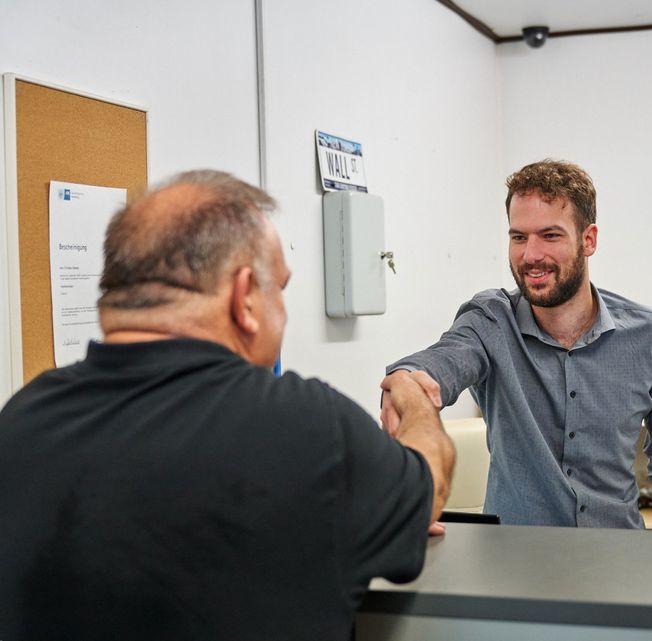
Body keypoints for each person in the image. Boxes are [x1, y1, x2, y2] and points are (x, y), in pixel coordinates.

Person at [0, 170, 454, 641]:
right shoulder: (309, 430)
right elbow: (429, 485)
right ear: (244, 298)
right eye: (278, 288)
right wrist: (414, 400)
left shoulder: (21, 420)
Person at [381, 160, 652, 530]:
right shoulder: (490, 321)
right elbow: (434, 367)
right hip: (514, 563)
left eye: (550, 235)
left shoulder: (647, 333)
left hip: (617, 554)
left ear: (589, 239)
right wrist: (409, 393)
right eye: (519, 237)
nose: (530, 255)